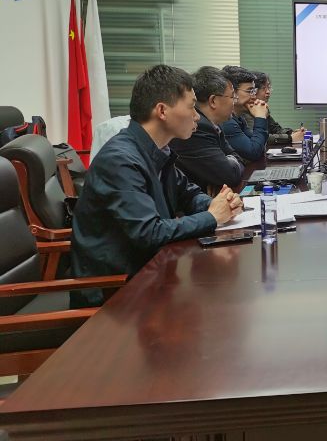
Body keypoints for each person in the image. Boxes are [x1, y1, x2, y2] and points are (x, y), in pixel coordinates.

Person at [70, 65, 244, 307]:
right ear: (162, 111)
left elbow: (187, 193)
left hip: (151, 274)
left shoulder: (157, 150)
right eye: (191, 107)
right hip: (115, 294)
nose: (196, 116)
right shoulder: (120, 160)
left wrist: (219, 204)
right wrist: (212, 216)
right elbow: (149, 233)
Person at [169, 66, 245, 191]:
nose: (234, 102)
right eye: (232, 97)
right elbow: (230, 175)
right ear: (213, 101)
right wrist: (228, 162)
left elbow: (235, 157)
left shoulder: (213, 124)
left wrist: (228, 162)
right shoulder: (198, 128)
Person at [242, 72, 306, 147]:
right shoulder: (245, 111)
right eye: (263, 88)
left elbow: (275, 129)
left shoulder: (261, 107)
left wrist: (292, 133)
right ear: (254, 91)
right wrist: (290, 138)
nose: (268, 92)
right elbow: (258, 138)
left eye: (268, 87)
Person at [221, 64, 269, 162]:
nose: (254, 97)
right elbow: (253, 152)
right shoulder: (226, 122)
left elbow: (259, 147)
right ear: (232, 92)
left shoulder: (239, 118)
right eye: (249, 91)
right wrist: (260, 117)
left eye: (254, 91)